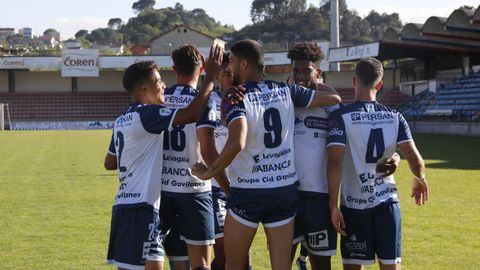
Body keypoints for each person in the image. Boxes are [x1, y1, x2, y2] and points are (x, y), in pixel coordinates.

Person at [191, 39, 341, 270]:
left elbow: (235, 144)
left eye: (230, 62)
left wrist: (206, 173)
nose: (228, 67)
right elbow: (334, 98)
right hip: (283, 189)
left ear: (242, 64)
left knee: (234, 266)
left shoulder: (238, 98)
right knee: (282, 266)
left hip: (249, 191)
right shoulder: (286, 90)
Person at [103, 44, 223, 270]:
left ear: (175, 68)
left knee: (155, 262)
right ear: (144, 89)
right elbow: (196, 123)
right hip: (180, 194)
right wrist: (211, 77)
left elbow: (110, 162)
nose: (163, 85)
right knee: (201, 264)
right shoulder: (151, 112)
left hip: (155, 197)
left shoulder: (126, 117)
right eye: (158, 82)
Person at [288, 43, 401, 270]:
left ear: (318, 72)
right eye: (296, 70)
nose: (300, 76)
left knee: (322, 264)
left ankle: (305, 256)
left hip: (319, 198)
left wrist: (395, 157)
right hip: (286, 193)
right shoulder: (284, 100)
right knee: (280, 262)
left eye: (306, 70)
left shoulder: (335, 111)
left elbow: (362, 141)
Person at [327, 57, 429, 270]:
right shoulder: (395, 117)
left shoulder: (339, 117)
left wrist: (332, 206)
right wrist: (419, 179)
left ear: (354, 81)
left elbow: (335, 163)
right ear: (380, 84)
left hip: (354, 207)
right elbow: (416, 160)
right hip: (387, 205)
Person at [160, 44, 230, 270]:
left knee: (177, 262)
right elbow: (208, 151)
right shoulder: (205, 100)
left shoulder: (159, 99)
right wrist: (228, 189)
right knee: (201, 263)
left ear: (174, 69)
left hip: (162, 191)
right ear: (201, 70)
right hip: (194, 191)